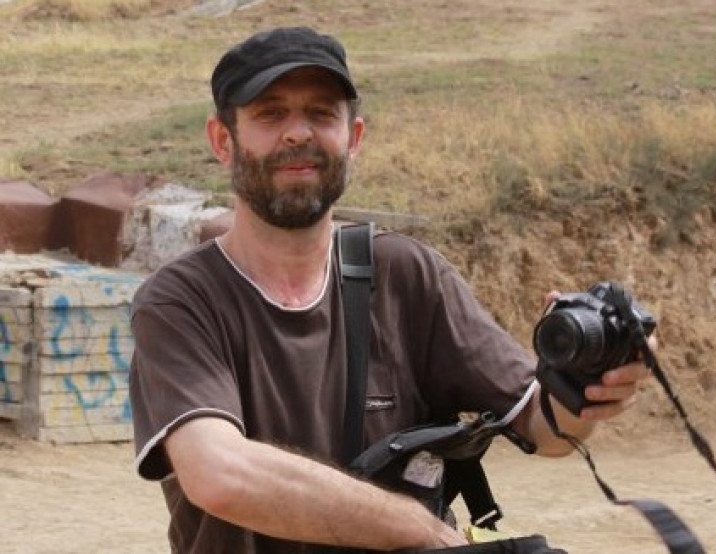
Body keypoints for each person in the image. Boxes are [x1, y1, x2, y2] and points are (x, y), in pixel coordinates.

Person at [129, 26, 652, 553]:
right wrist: (422, 529)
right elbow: (221, 474)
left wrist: (584, 383)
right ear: (223, 141)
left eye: (321, 113)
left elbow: (544, 428)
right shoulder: (181, 301)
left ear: (353, 138)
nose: (298, 133)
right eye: (270, 114)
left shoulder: (406, 275)